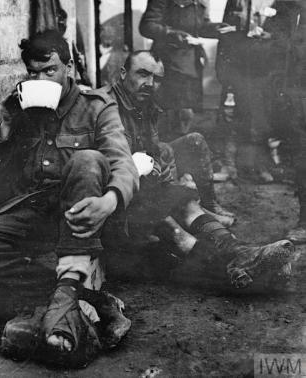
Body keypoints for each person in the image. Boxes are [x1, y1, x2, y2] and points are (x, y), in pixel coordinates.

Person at [0, 30, 138, 367]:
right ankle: (90, 300)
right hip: (35, 208)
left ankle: (60, 319)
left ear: (69, 67)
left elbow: (122, 163)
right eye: (33, 72)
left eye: (50, 70)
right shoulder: (26, 109)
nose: (41, 78)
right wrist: (8, 123)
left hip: (82, 212)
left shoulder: (96, 107)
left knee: (87, 160)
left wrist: (110, 201)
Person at [102, 50, 296, 288]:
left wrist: (158, 162)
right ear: (123, 73)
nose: (150, 84)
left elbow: (148, 151)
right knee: (176, 234)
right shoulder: (104, 106)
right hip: (112, 203)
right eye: (142, 74)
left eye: (157, 78)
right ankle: (242, 267)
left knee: (184, 203)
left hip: (138, 190)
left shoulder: (143, 103)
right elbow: (103, 162)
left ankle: (241, 253)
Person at [215, 0, 299, 182]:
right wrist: (222, 71)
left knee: (264, 118)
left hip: (268, 68)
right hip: (239, 66)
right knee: (234, 115)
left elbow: (290, 36)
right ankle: (230, 165)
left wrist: (271, 39)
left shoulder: (284, 3)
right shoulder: (237, 1)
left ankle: (262, 165)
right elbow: (225, 33)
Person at [139, 0, 234, 137]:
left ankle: (180, 149)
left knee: (187, 116)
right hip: (169, 63)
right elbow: (147, 26)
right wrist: (172, 34)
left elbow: (201, 25)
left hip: (192, 64)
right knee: (174, 114)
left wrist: (216, 28)